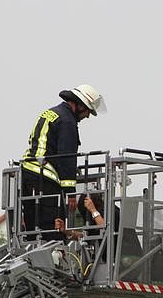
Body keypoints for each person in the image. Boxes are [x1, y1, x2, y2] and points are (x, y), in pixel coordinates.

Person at [21, 85, 106, 241]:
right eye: (88, 111)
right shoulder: (68, 122)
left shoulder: (51, 113)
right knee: (53, 228)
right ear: (79, 104)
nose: (87, 116)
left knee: (33, 225)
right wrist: (70, 192)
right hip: (45, 178)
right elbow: (67, 157)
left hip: (28, 173)